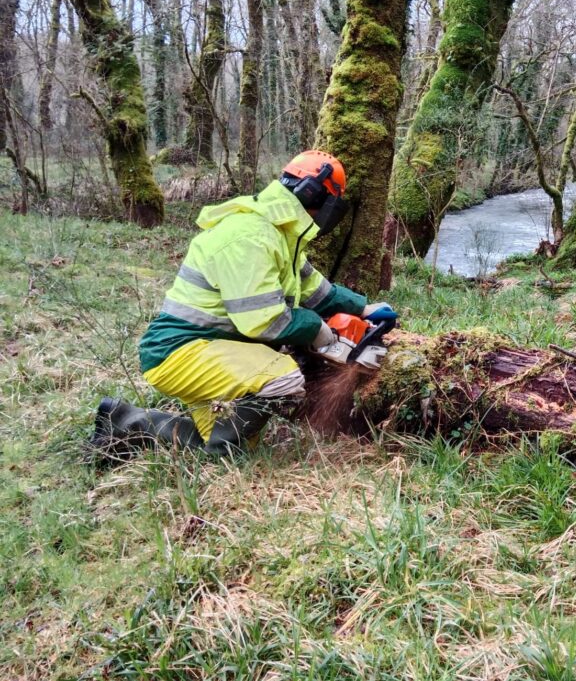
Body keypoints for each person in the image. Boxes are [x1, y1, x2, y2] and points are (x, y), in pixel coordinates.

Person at [91, 150, 397, 458]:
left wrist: (363, 309)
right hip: (182, 352)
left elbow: (317, 290)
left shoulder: (282, 235)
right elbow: (263, 321)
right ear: (314, 194)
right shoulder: (250, 237)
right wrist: (317, 330)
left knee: (229, 448)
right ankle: (220, 449)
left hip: (213, 348)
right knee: (282, 379)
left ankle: (125, 421)